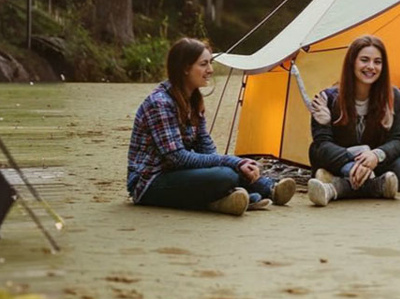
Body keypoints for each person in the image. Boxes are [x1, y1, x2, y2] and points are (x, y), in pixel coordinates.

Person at [127, 38, 296, 216]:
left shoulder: (192, 100)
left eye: (210, 63)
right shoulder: (160, 103)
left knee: (231, 169)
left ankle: (259, 191)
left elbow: (205, 146)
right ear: (185, 68)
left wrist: (239, 164)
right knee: (226, 175)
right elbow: (177, 157)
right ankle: (238, 195)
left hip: (179, 173)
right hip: (150, 182)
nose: (210, 70)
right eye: (204, 64)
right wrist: (232, 163)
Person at [306, 35, 400, 205]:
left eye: (377, 62)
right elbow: (321, 143)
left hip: (375, 162)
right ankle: (376, 185)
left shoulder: (393, 96)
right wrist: (355, 156)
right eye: (364, 60)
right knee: (317, 151)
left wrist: (375, 155)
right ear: (352, 63)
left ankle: (336, 187)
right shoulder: (328, 98)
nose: (371, 67)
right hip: (342, 160)